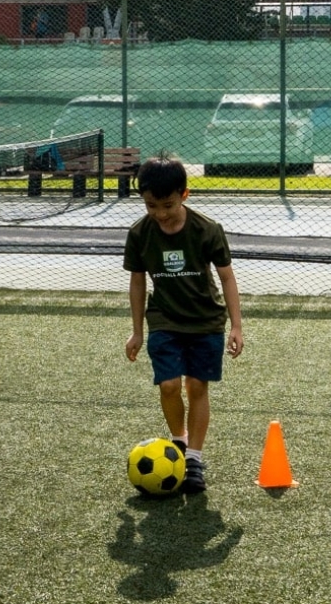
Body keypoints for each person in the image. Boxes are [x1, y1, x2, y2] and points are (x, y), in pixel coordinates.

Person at [124, 155, 244, 493]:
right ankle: (178, 443)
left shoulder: (207, 230)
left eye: (167, 205)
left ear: (184, 195)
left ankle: (193, 458)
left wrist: (236, 326)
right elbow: (137, 282)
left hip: (206, 321)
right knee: (168, 386)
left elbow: (227, 277)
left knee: (197, 387)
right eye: (151, 206)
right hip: (164, 319)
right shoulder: (139, 234)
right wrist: (137, 330)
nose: (160, 213)